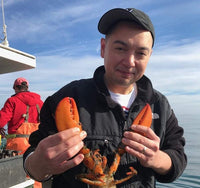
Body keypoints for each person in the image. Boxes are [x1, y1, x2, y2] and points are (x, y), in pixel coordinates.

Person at [23, 8, 187, 187]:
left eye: (140, 53)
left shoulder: (159, 105)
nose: (130, 61)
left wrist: (157, 158)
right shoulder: (67, 98)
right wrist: (38, 163)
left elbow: (177, 159)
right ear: (103, 48)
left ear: (149, 56)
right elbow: (33, 162)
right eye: (120, 48)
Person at [0, 77, 43, 154]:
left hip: (17, 147)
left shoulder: (12, 101)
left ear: (15, 88)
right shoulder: (39, 102)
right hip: (37, 145)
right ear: (27, 87)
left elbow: (1, 120)